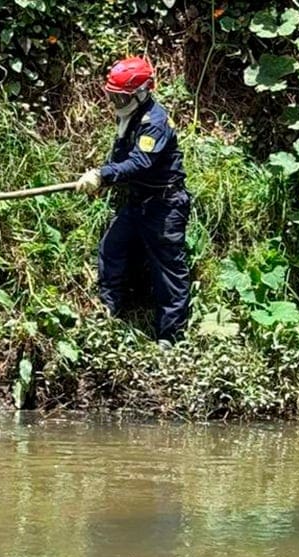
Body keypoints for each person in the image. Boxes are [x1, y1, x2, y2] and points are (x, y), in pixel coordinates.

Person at [75, 56, 191, 343]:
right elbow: (121, 156)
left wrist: (103, 175)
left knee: (168, 271)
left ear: (140, 92)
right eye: (111, 95)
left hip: (164, 206)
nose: (115, 102)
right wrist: (107, 181)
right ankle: (108, 310)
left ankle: (170, 338)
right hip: (139, 201)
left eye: (120, 96)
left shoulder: (155, 122)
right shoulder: (130, 115)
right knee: (112, 247)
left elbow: (140, 162)